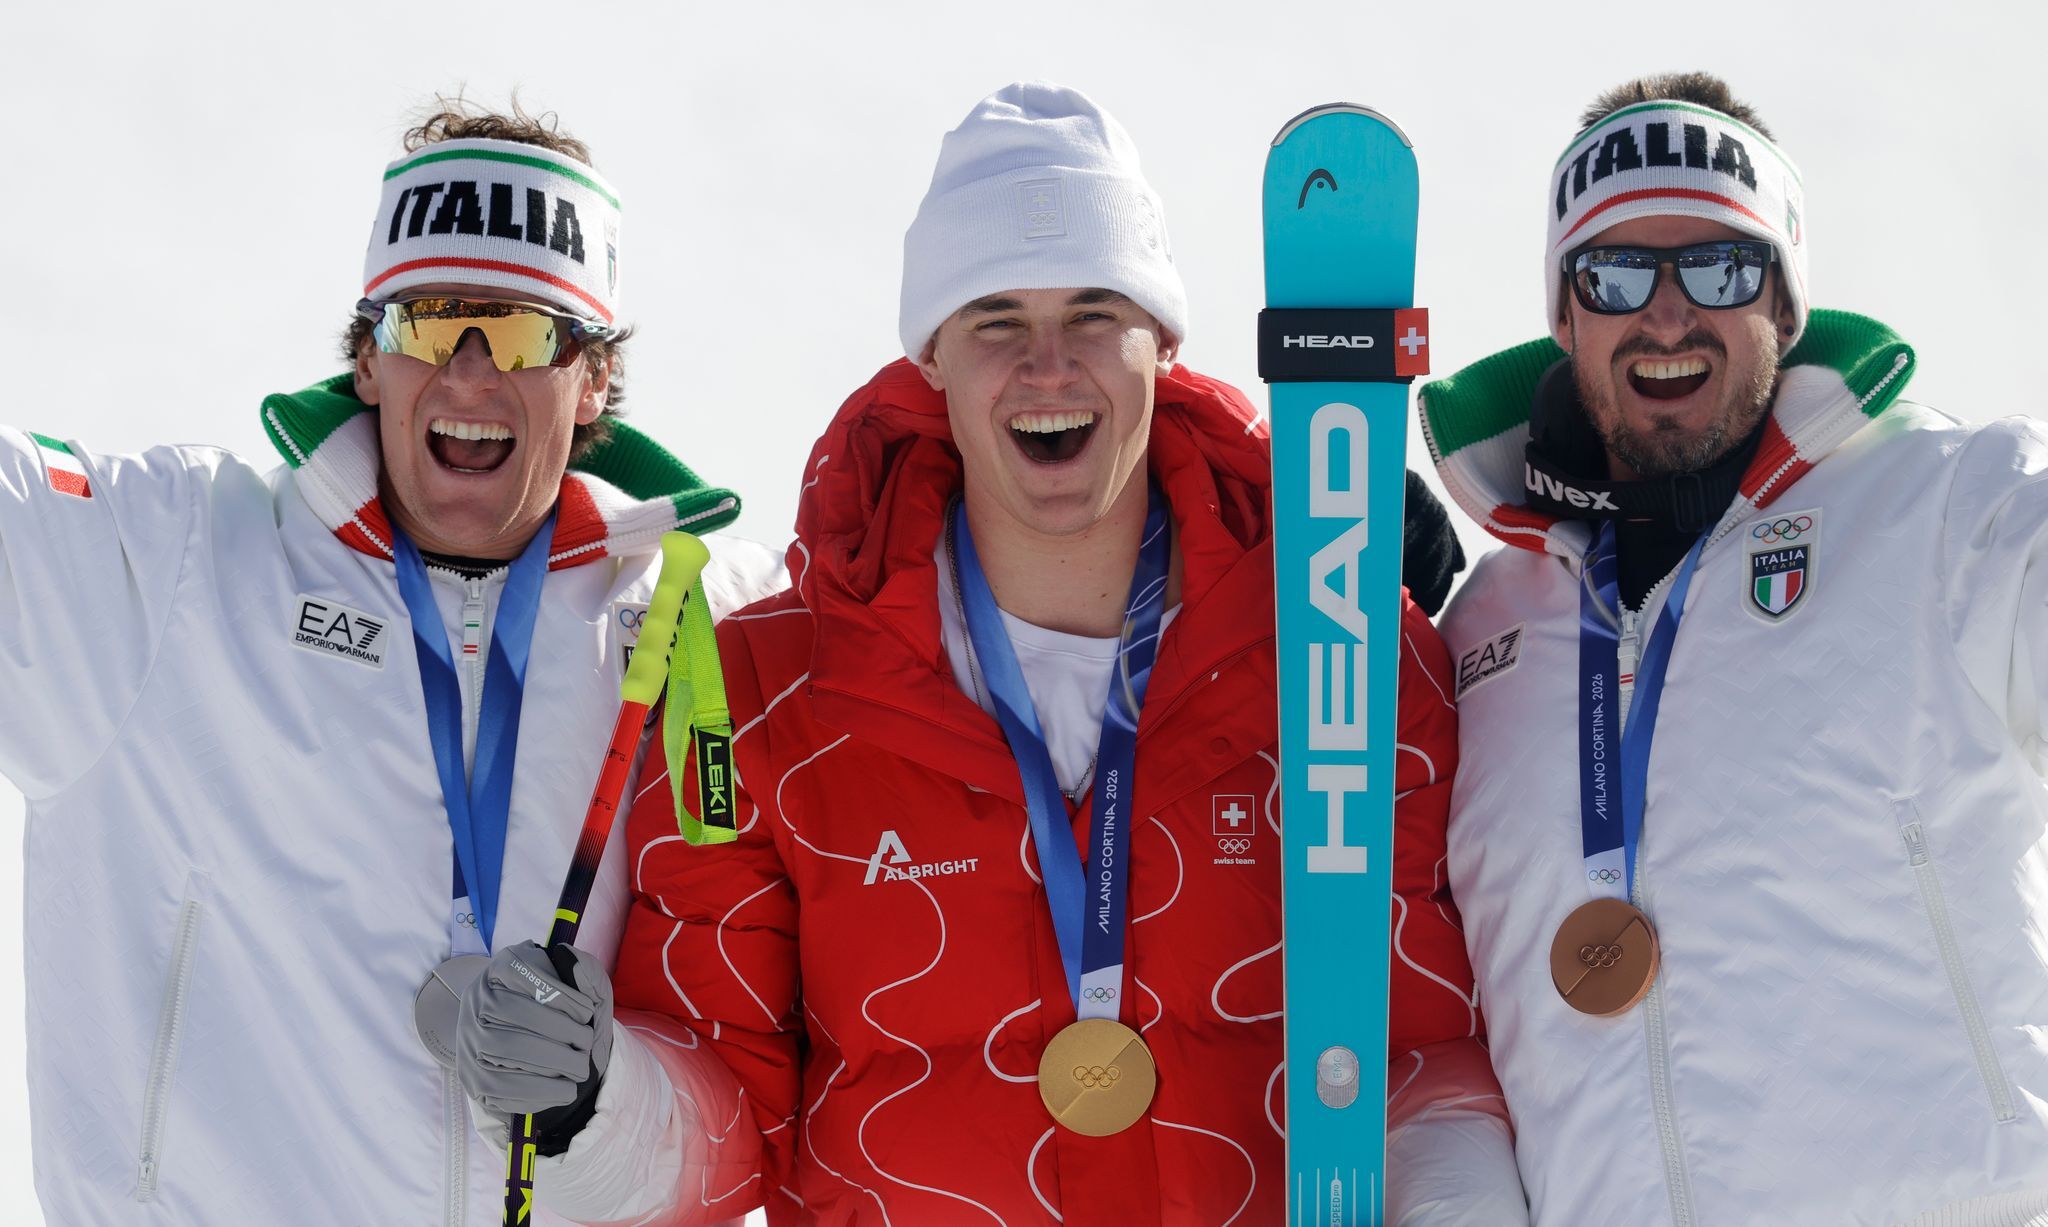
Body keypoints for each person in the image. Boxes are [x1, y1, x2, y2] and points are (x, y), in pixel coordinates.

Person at [445, 81, 1513, 1227]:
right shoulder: (756, 697)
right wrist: (592, 1104)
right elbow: (727, 1113)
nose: (1047, 365)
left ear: (1161, 344)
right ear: (932, 364)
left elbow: (1421, 1047)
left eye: (1096, 312)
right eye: (995, 320)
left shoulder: (1341, 650)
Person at [0, 102, 781, 1224]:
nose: (467, 375)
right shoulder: (161, 568)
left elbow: (757, 1123)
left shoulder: (715, 632)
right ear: (368, 358)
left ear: (593, 378)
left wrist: (591, 1111)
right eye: (426, 324)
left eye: (517, 334)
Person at [1418, 71, 2048, 1224]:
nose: (1666, 316)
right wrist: (1368, 644)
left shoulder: (1951, 510)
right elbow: (1426, 1014)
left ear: (1785, 301)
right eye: (1614, 274)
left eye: (1717, 267)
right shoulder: (1477, 635)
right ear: (1563, 318)